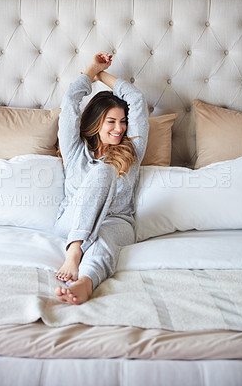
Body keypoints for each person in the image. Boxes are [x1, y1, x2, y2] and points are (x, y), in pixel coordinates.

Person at [54, 52, 149, 305]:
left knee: (105, 238)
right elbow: (70, 103)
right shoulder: (75, 150)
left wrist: (102, 75)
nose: (119, 128)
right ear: (97, 123)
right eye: (111, 121)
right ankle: (75, 249)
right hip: (71, 222)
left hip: (116, 221)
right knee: (103, 170)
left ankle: (85, 283)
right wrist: (91, 70)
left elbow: (137, 99)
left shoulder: (132, 152)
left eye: (123, 122)